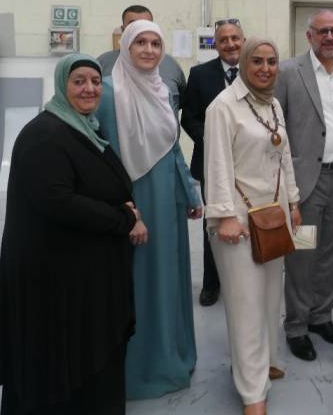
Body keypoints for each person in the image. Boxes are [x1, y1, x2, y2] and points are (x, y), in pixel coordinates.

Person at [0, 54, 147, 415]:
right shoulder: (45, 135)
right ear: (62, 85)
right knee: (59, 366)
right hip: (55, 280)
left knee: (87, 362)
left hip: (82, 276)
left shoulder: (84, 129)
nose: (89, 89)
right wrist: (122, 218)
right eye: (79, 81)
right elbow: (58, 202)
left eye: (95, 82)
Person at [95, 20, 203, 400]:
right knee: (135, 280)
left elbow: (172, 147)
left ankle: (170, 355)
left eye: (155, 43)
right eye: (140, 42)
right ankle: (136, 368)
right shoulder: (107, 93)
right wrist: (121, 206)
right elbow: (98, 154)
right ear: (125, 47)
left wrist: (190, 192)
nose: (148, 50)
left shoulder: (162, 91)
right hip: (128, 199)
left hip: (166, 200)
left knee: (166, 276)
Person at [204, 38, 302, 415]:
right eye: (257, 61)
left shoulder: (272, 103)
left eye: (271, 61)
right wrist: (224, 216)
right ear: (244, 63)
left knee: (269, 299)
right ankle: (252, 393)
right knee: (245, 306)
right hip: (238, 222)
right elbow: (216, 164)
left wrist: (293, 202)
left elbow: (283, 155)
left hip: (273, 217)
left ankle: (265, 363)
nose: (265, 68)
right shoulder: (223, 107)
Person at [275, 9, 333, 361]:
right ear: (309, 35)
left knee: (332, 255)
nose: (330, 37)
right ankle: (296, 326)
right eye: (322, 31)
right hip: (305, 182)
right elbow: (276, 129)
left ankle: (322, 316)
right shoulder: (288, 72)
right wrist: (285, 186)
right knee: (302, 255)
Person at [181, 18, 246, 307]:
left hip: (249, 164)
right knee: (216, 222)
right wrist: (213, 142)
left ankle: (245, 279)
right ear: (215, 45)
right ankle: (212, 283)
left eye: (235, 38)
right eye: (223, 40)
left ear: (243, 41)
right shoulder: (199, 74)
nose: (230, 44)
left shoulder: (257, 69)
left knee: (249, 221)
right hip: (211, 163)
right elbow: (189, 118)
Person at [97, 5, 187, 111]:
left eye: (146, 25)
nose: (149, 50)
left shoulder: (170, 67)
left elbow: (181, 103)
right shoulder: (103, 64)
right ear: (123, 30)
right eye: (133, 25)